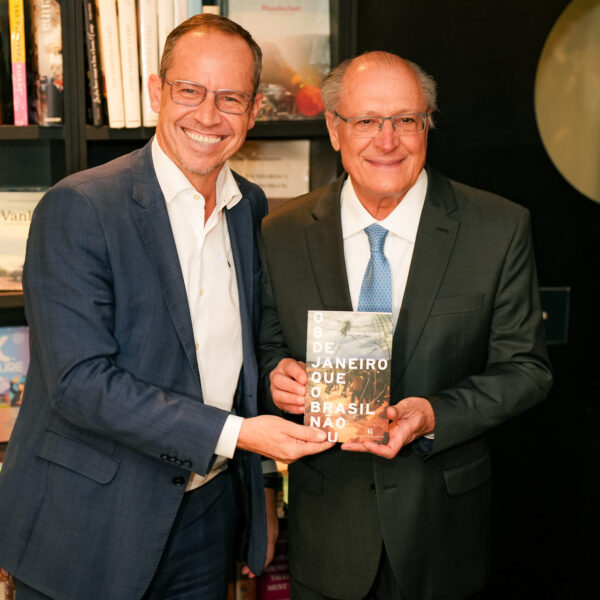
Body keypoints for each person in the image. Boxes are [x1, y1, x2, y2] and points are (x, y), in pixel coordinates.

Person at [0, 14, 331, 600]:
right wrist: (240, 435)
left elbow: (242, 357)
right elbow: (79, 384)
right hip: (89, 521)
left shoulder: (250, 208)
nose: (208, 115)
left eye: (230, 98)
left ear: (254, 110)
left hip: (207, 518)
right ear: (157, 92)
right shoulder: (80, 206)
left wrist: (274, 388)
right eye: (190, 91)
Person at [258, 51, 553, 600]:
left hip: (442, 535)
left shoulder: (498, 227)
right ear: (334, 129)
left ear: (428, 125)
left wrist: (434, 414)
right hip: (328, 538)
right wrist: (276, 378)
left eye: (405, 120)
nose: (387, 140)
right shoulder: (281, 233)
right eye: (367, 120)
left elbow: (526, 370)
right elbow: (265, 350)